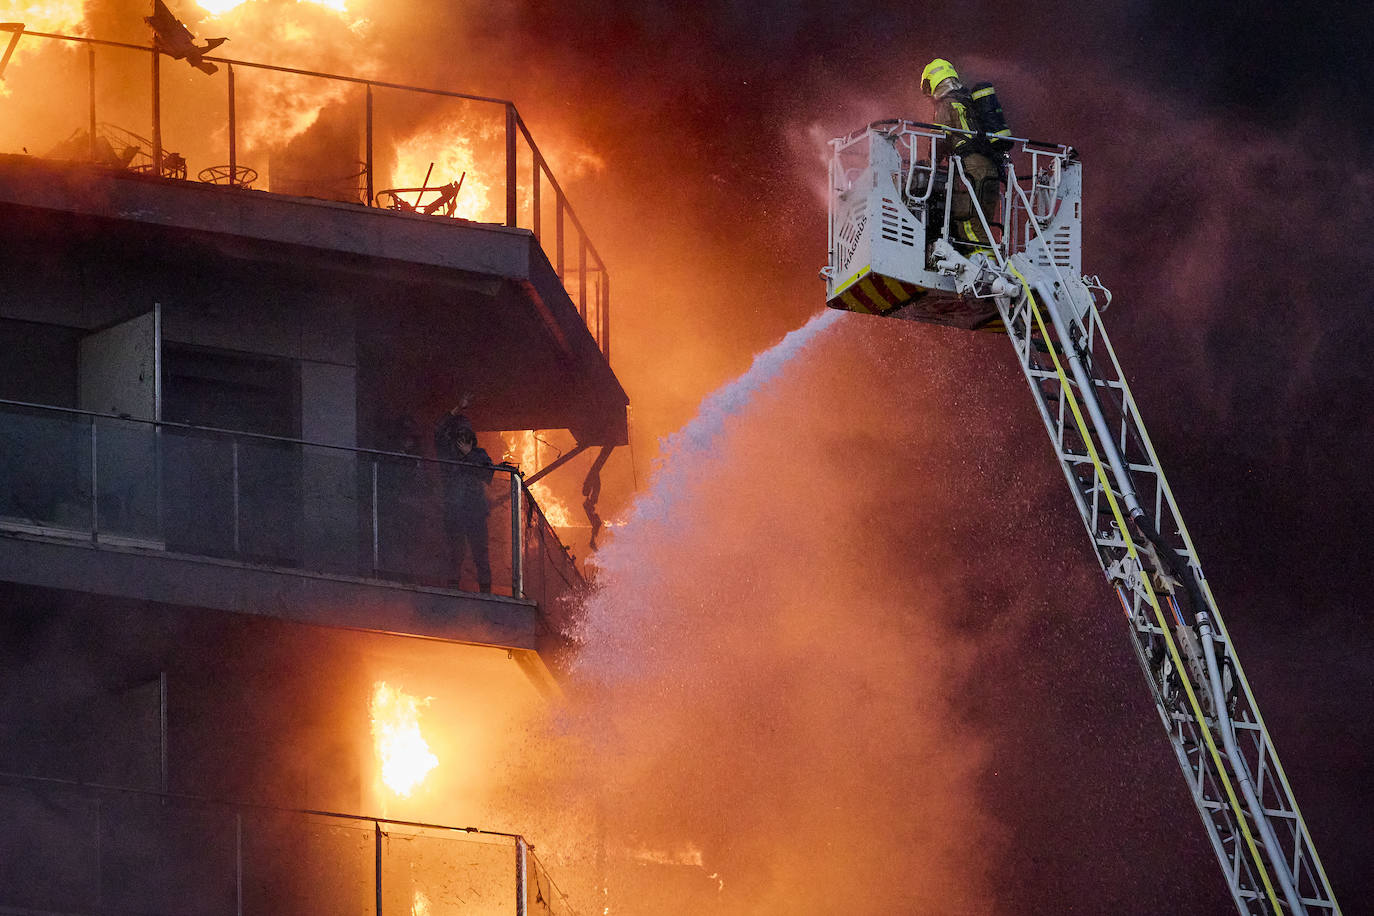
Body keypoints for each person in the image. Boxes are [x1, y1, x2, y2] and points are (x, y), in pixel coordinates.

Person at [920, 58, 1003, 255]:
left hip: (970, 169)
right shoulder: (971, 102)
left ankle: (987, 266)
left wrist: (929, 164)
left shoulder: (946, 104)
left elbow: (939, 139)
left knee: (968, 223)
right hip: (992, 169)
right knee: (981, 221)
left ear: (933, 82)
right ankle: (987, 260)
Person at [434, 415, 494, 593]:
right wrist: (457, 408)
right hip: (455, 512)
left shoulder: (480, 454)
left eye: (466, 433)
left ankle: (486, 591)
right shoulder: (447, 454)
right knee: (455, 553)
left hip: (476, 513)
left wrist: (470, 455)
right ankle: (452, 589)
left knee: (480, 553)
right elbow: (437, 430)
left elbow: (488, 474)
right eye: (460, 433)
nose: (463, 437)